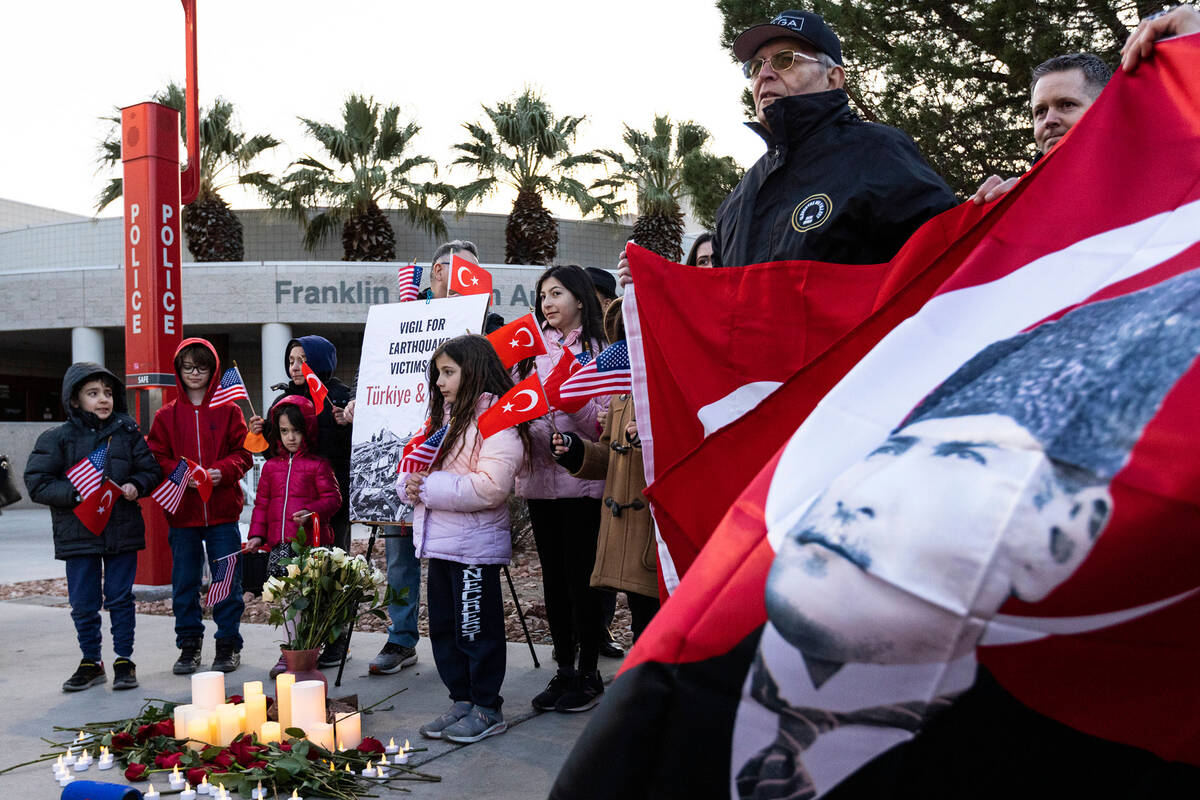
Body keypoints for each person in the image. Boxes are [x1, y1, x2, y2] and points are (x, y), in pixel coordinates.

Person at [740, 267, 1200, 796]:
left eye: (960, 458)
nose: (861, 494)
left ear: (1061, 536)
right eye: (886, 448)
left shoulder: (1080, 763)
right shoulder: (672, 679)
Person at [712, 9, 956, 269]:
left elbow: (952, 251)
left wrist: (995, 210)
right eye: (757, 66)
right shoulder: (736, 202)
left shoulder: (876, 152)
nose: (764, 75)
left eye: (785, 59)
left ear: (833, 78)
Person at [401, 335, 529, 743]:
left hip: (474, 550)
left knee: (476, 629)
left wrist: (430, 486)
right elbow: (415, 466)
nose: (439, 381)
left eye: (449, 372)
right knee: (444, 627)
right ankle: (462, 700)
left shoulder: (497, 421)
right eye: (438, 373)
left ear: (472, 371)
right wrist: (410, 484)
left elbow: (491, 487)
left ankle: (487, 707)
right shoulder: (445, 421)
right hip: (441, 545)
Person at [25, 363, 161, 692]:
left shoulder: (127, 432)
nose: (103, 400)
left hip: (121, 529)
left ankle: (124, 661)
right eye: (93, 393)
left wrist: (136, 485)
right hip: (78, 533)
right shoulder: (56, 439)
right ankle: (91, 661)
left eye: (108, 393)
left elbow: (150, 471)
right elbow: (37, 482)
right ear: (74, 401)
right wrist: (74, 494)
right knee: (84, 602)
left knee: (120, 598)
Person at [519, 264, 610, 713]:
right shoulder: (528, 350)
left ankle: (590, 671)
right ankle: (564, 668)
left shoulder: (601, 349)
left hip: (582, 482)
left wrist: (574, 413)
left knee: (583, 579)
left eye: (556, 294)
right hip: (539, 481)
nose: (547, 303)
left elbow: (606, 417)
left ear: (579, 299)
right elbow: (517, 402)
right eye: (542, 296)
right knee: (553, 580)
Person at [552, 298, 660, 643]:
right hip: (625, 532)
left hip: (655, 534)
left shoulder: (672, 387)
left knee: (660, 622)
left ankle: (656, 692)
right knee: (642, 620)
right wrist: (577, 452)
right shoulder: (623, 396)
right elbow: (611, 454)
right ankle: (641, 689)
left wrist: (653, 438)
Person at [147, 339, 253, 674]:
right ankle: (189, 646)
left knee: (227, 580)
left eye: (202, 367)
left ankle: (227, 645)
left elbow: (245, 453)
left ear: (213, 370)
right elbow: (156, 457)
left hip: (222, 513)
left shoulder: (229, 410)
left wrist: (225, 471)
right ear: (178, 370)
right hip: (183, 516)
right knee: (185, 583)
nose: (195, 373)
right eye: (189, 367)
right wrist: (181, 475)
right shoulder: (166, 415)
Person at [248, 334, 353, 668]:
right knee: (296, 575)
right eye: (291, 360)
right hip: (294, 503)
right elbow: (273, 452)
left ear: (320, 361)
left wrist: (345, 423)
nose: (295, 367)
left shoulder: (338, 395)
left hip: (329, 495)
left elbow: (353, 442)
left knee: (333, 568)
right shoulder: (285, 398)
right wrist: (261, 433)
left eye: (303, 359)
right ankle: (302, 641)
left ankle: (335, 640)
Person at [972, 53, 1112, 204]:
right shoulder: (1018, 205)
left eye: (1067, 105)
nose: (1049, 120)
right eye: (1040, 112)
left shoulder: (1138, 188)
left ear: (1106, 110)